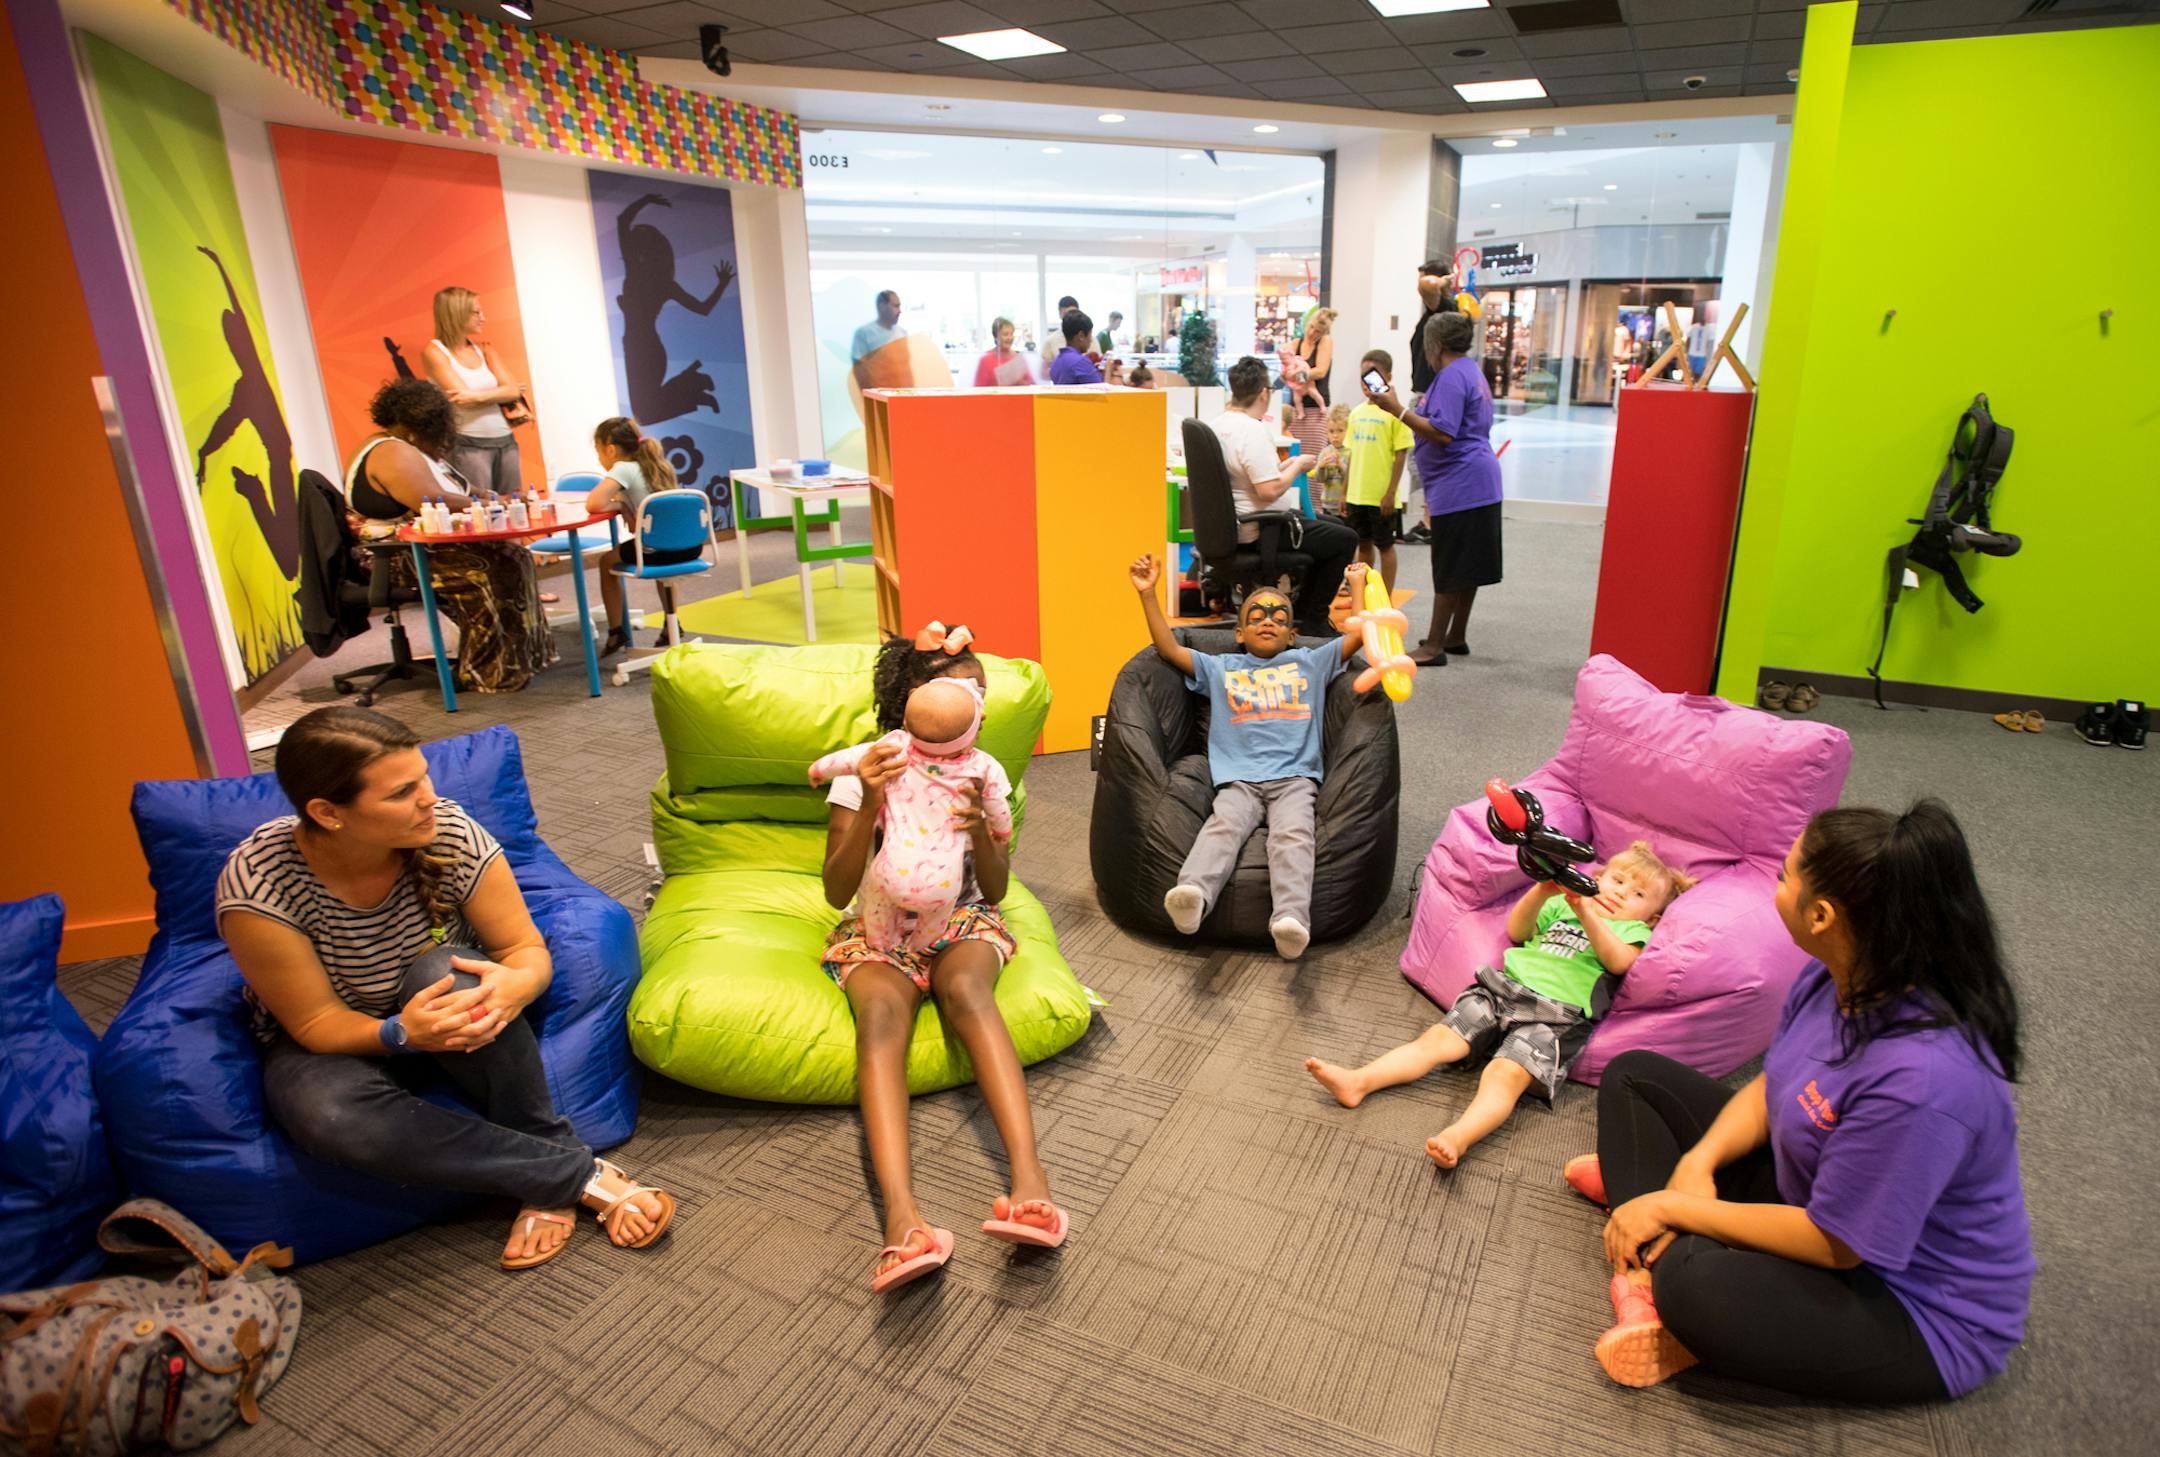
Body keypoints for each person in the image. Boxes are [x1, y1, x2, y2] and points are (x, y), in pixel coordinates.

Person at [1576, 800, 2032, 1399]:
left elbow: (1838, 1245)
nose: (1776, 884)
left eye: (1785, 874)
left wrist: (1677, 1207)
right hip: (1817, 1187)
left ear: (1821, 915)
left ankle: (1652, 1268)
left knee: (1694, 1289)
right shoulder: (1837, 971)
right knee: (1635, 1076)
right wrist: (1697, 1163)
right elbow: (1776, 1085)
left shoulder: (1923, 1084)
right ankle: (1654, 1207)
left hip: (1909, 1302)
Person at [216, 707, 676, 1272]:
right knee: (324, 1114)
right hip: (342, 1034)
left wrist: (515, 986)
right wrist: (400, 1033)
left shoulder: (449, 832)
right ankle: (569, 1174)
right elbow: (313, 1024)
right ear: (327, 813)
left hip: (450, 1010)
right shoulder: (259, 883)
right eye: (401, 793)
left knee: (453, 975)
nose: (429, 798)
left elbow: (524, 952)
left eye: (424, 778)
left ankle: (540, 1148)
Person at [820, 627, 1067, 1292]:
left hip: (957, 917)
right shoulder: (869, 770)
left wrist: (983, 830)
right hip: (879, 931)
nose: (979, 700)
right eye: (967, 687)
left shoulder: (980, 770)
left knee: (969, 994)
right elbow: (836, 889)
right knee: (878, 1020)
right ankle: (902, 1221)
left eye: (981, 690)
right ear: (917, 704)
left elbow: (994, 888)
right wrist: (871, 797)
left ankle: (1031, 1183)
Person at [1304, 843, 1693, 1166]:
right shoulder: (1562, 906)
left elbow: (1618, 962)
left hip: (1555, 1016)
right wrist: (1543, 890)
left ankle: (1459, 1135)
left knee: (1504, 1076)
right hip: (1503, 989)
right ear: (1597, 878)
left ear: (1653, 917)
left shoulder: (1632, 930)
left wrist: (1587, 913)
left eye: (1638, 894)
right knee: (1437, 1041)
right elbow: (1518, 931)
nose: (1622, 892)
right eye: (1617, 880)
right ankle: (1359, 1081)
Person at [1130, 556, 1374, 961]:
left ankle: (1291, 919)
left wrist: (1357, 585)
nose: (1268, 621)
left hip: (1295, 779)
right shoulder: (1222, 666)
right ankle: (1193, 894)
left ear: (1293, 635)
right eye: (1257, 616)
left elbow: (1359, 634)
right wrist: (1148, 594)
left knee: (1294, 836)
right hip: (1238, 779)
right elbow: (1169, 648)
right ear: (1239, 633)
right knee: (1221, 828)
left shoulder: (1310, 662)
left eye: (1279, 618)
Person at [345, 379, 556, 692]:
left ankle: (520, 660)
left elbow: (464, 490)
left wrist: (499, 497)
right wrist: (494, 502)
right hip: (392, 557)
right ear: (417, 429)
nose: (445, 441)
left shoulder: (407, 447)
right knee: (496, 568)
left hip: (420, 550)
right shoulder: (391, 453)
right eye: (440, 433)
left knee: (514, 556)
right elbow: (429, 499)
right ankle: (489, 671)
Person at [1365, 312, 1501, 667]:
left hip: (1462, 484)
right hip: (1474, 481)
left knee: (1449, 565)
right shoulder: (1469, 371)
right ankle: (1455, 636)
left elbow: (1442, 432)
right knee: (1465, 565)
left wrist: (1396, 410)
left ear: (1434, 344)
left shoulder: (1453, 377)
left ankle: (1434, 645)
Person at [1210, 356, 1358, 634]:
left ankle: (1302, 612)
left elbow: (1251, 476)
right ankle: (1312, 619)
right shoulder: (1252, 430)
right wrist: (1299, 465)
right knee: (1345, 538)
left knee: (1334, 527)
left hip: (1240, 524)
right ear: (1264, 393)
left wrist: (1284, 467)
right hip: (1261, 528)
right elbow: (1268, 491)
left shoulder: (1220, 425)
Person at [580, 416, 698, 658]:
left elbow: (593, 503)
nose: (600, 458)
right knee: (662, 557)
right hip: (688, 547)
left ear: (611, 449)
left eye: (599, 451)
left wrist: (620, 506)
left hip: (656, 551)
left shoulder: (624, 468)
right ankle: (671, 622)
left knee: (606, 562)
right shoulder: (658, 464)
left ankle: (616, 631)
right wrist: (623, 503)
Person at [422, 287, 527, 497]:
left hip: (506, 441)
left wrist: (477, 396)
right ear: (457, 313)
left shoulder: (484, 349)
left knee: (517, 508)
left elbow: (513, 390)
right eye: (476, 312)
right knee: (481, 512)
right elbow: (462, 400)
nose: (483, 317)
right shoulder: (434, 352)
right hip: (468, 444)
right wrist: (499, 393)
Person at [1343, 349, 1414, 594]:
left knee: (1385, 545)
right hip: (1357, 495)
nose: (1366, 383)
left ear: (1389, 376)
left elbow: (1401, 453)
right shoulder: (1356, 413)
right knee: (1363, 545)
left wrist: (1391, 492)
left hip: (1381, 495)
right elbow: (1351, 455)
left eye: (1373, 376)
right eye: (1363, 377)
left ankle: (1387, 595)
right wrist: (1344, 492)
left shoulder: (1394, 413)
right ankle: (1362, 594)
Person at [1403, 263, 1453, 547]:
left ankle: (1431, 522)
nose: (1419, 286)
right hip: (1426, 392)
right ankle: (1429, 520)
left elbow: (1428, 287)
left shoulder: (1441, 308)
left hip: (1427, 394)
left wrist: (1442, 282)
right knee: (1421, 462)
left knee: (1422, 462)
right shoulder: (1437, 314)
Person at [1311, 403, 1352, 520]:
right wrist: (1321, 467)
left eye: (1340, 431)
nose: (1335, 436)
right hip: (1328, 504)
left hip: (1346, 503)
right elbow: (1319, 479)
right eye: (1331, 431)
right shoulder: (1325, 452)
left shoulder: (1351, 452)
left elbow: (1351, 479)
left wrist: (1341, 466)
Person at [972, 316, 1035, 387]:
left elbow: (1030, 384)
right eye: (1005, 334)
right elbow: (978, 389)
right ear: (995, 337)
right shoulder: (985, 360)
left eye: (1011, 334)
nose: (1009, 338)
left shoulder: (1018, 358)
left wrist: (1020, 381)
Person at [850, 290, 905, 367]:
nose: (900, 311)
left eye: (899, 306)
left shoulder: (902, 333)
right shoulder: (864, 333)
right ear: (882, 306)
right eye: (896, 306)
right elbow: (859, 368)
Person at [1049, 310, 1104, 385]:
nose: (1091, 340)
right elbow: (1102, 390)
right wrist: (1109, 370)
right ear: (1081, 336)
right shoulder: (1080, 361)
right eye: (1090, 335)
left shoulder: (1056, 361)